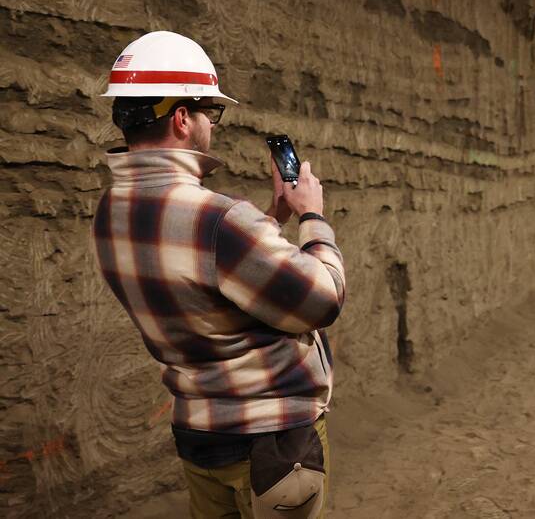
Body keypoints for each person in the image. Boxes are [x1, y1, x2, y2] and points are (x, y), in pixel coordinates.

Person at [91, 31, 345, 519]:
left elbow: (196, 277)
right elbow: (323, 298)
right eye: (210, 112)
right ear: (183, 118)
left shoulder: (109, 215)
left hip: (198, 436)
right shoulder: (221, 221)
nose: (212, 124)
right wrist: (312, 216)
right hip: (272, 444)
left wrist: (269, 222)